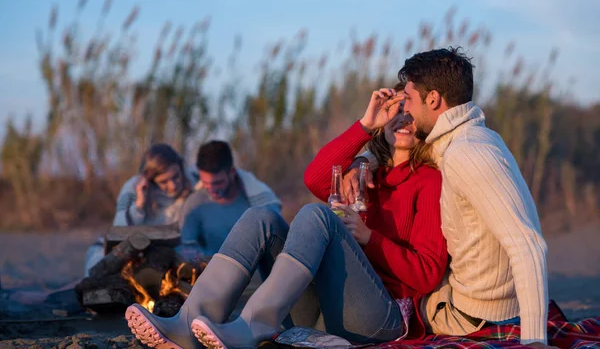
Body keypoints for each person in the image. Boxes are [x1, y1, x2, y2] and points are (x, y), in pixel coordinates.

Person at [125, 87, 447, 349]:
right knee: (261, 218)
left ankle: (251, 326)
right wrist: (364, 125)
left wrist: (367, 237)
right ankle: (188, 321)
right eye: (396, 110)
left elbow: (428, 274)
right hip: (326, 311)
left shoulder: (429, 180)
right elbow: (316, 178)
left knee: (315, 214)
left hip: (381, 318)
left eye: (410, 112)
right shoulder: (364, 171)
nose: (402, 118)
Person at [347, 47, 553, 348]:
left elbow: (529, 245)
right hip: (480, 303)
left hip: (468, 314)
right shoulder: (466, 139)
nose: (407, 113)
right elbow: (408, 151)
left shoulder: (468, 153)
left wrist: (535, 340)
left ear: (433, 99)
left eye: (411, 100)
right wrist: (365, 161)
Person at [83, 143, 198, 275]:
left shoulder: (192, 179)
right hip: (133, 250)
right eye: (164, 182)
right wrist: (139, 205)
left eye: (176, 176)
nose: (173, 186)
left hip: (168, 252)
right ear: (150, 180)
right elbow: (119, 232)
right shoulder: (133, 188)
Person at [179, 140, 282, 258]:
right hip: (210, 270)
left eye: (218, 182)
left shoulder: (261, 202)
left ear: (232, 172)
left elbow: (277, 243)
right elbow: (187, 247)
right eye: (205, 183)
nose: (211, 189)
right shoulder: (194, 205)